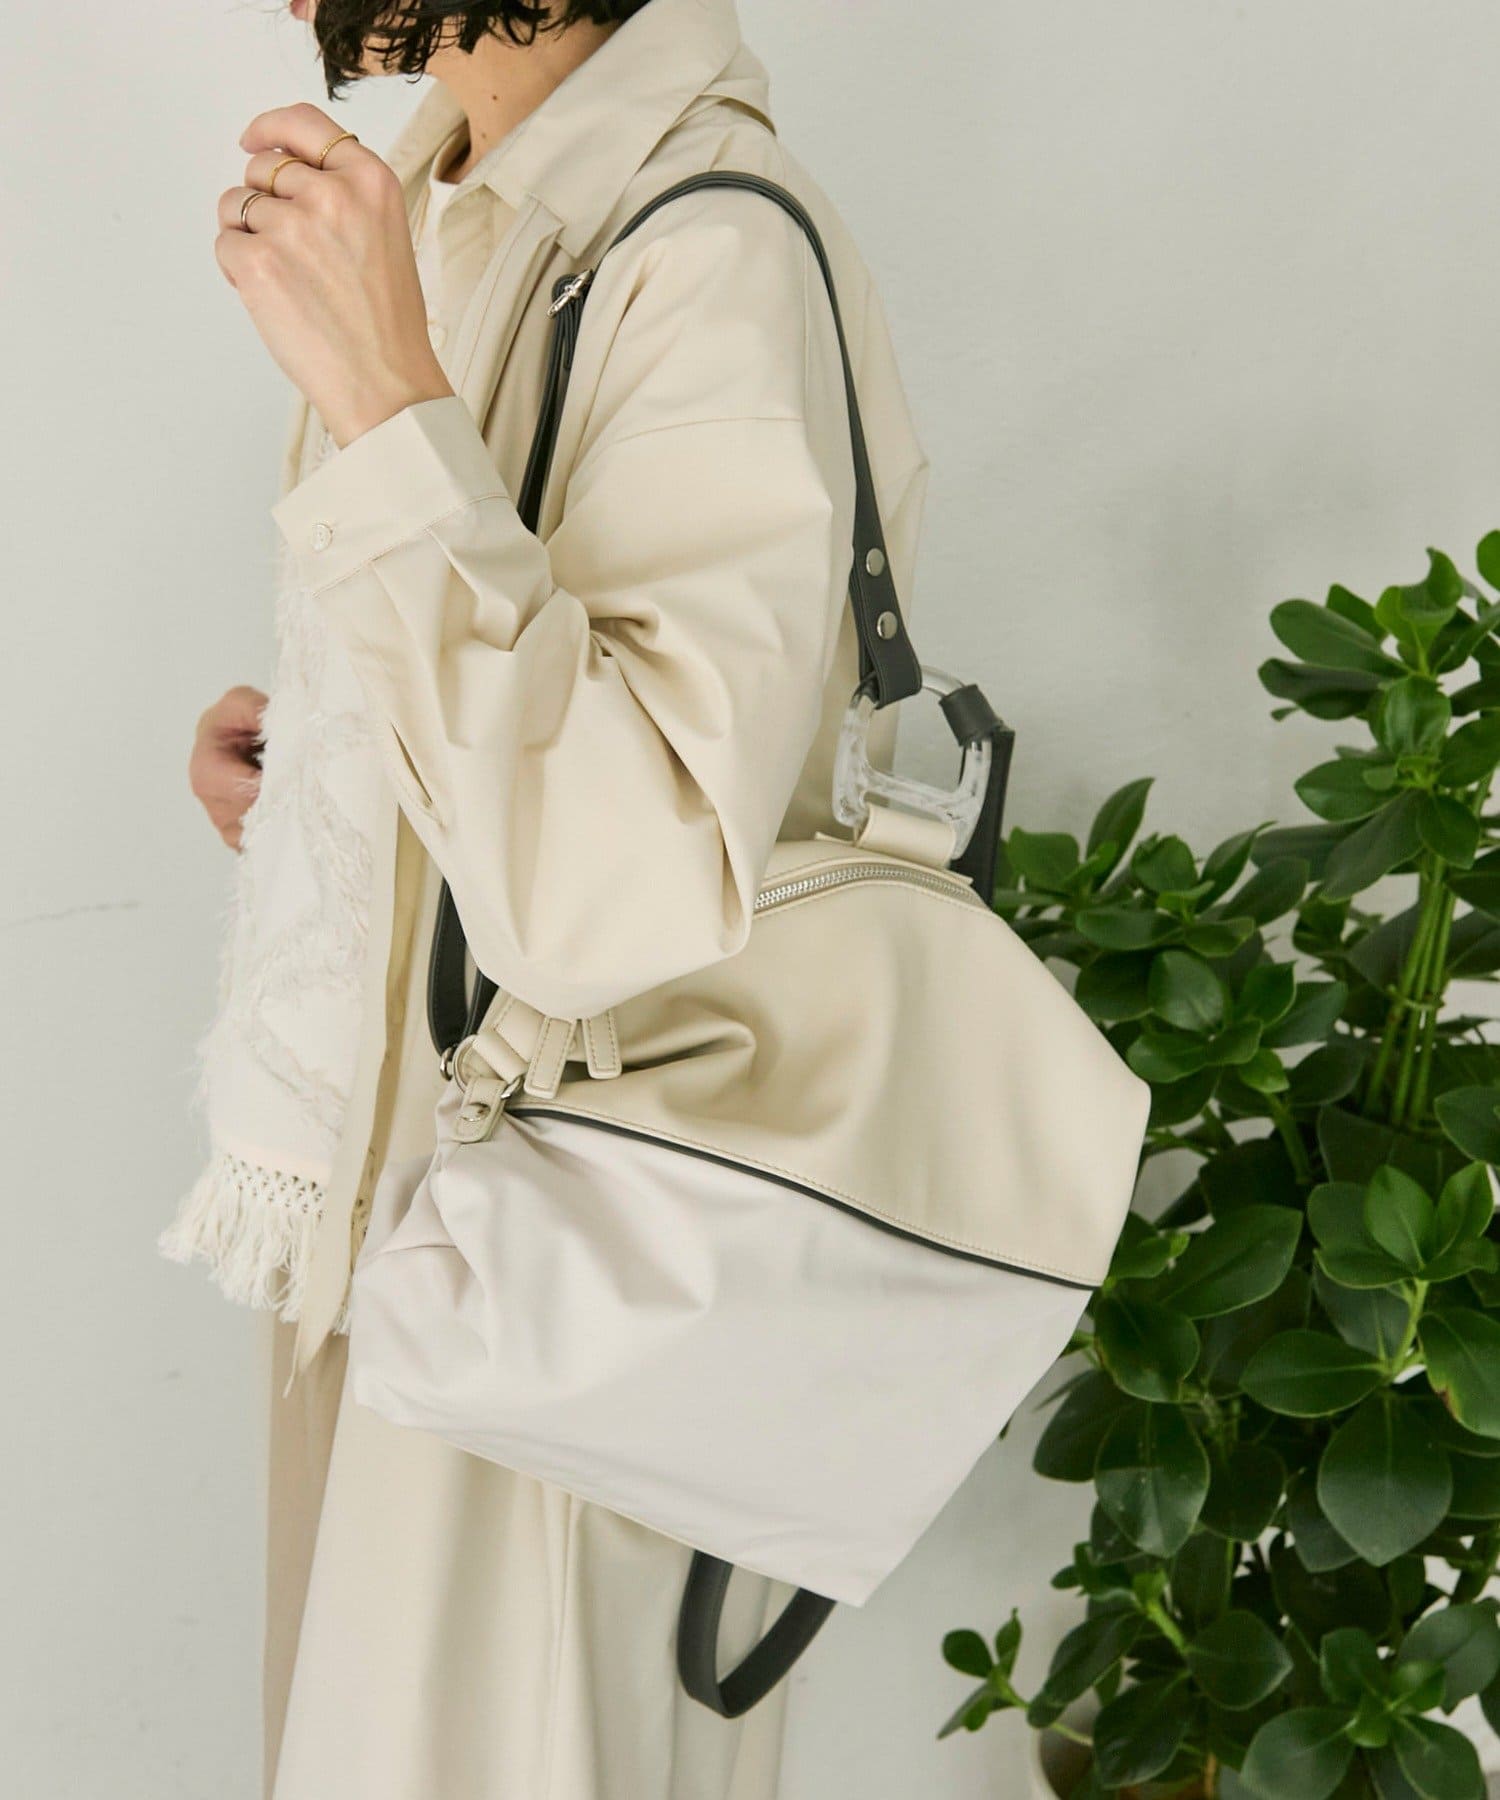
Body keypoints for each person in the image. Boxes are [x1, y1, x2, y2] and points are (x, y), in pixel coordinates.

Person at [164, 0, 932, 1794]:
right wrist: (330, 778)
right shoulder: (456, 195)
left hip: (572, 1273)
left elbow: (624, 880)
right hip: (404, 1233)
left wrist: (384, 400)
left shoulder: (704, 249)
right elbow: (523, 714)